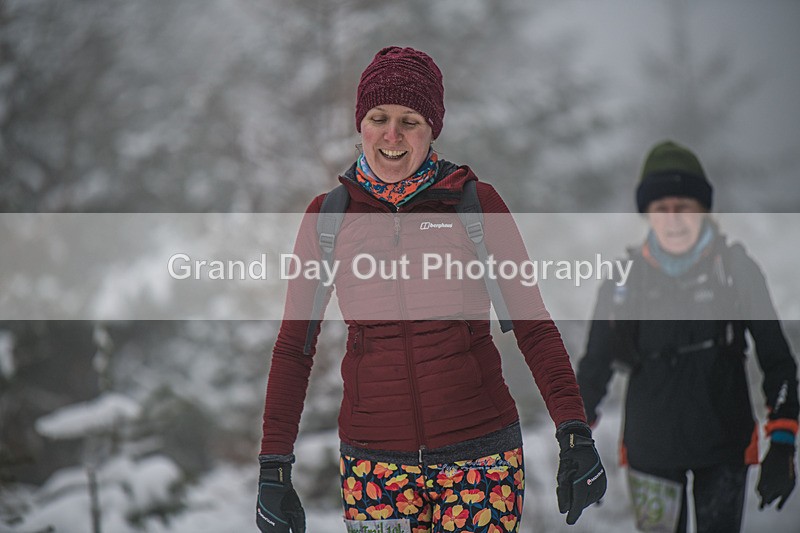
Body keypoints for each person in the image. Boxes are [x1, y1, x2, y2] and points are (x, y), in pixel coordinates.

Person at [256, 46, 606, 533]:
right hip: (375, 471)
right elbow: (295, 346)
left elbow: (533, 325)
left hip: (480, 461)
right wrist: (274, 465)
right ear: (361, 125)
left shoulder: (473, 204)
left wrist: (573, 432)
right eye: (379, 118)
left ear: (432, 128)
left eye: (410, 121)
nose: (392, 135)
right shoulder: (329, 218)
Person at [577, 140, 799, 533]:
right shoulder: (622, 281)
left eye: (684, 206)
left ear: (703, 209)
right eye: (661, 208)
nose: (673, 219)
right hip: (650, 452)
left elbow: (777, 360)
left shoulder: (736, 270)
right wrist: (575, 442)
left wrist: (782, 443)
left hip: (724, 448)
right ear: (647, 213)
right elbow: (593, 370)